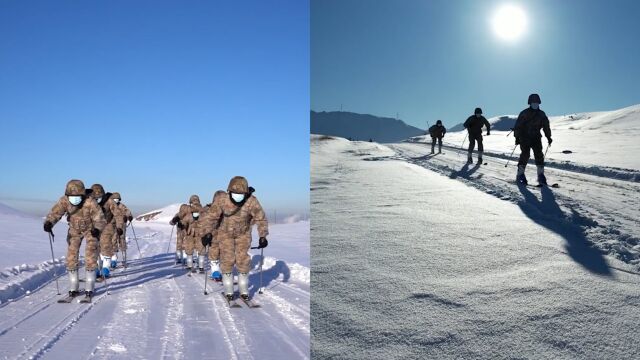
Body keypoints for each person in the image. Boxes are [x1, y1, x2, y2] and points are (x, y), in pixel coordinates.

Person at [202, 176, 268, 301]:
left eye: (241, 194)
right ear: (229, 191)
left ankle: (243, 288)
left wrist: (263, 235)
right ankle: (228, 289)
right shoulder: (222, 200)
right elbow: (211, 217)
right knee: (227, 259)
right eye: (235, 193)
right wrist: (207, 233)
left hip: (243, 234)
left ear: (246, 192)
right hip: (225, 233)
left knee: (243, 259)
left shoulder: (251, 201)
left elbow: (261, 218)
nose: (238, 196)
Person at [44, 180, 106, 302]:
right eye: (71, 196)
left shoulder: (90, 202)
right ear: (67, 195)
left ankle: (89, 287)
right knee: (71, 256)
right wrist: (49, 222)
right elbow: (56, 212)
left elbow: (100, 218)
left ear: (83, 195)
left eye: (77, 196)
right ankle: (73, 287)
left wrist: (97, 230)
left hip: (90, 230)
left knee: (91, 254)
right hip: (74, 230)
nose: (74, 199)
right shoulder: (64, 200)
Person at [513, 93, 552, 185]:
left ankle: (540, 175)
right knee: (525, 154)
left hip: (536, 137)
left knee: (539, 155)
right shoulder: (524, 113)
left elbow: (546, 126)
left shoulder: (542, 114)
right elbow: (517, 126)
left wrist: (549, 137)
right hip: (524, 137)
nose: (535, 104)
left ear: (539, 103)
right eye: (533, 102)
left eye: (537, 102)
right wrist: (517, 137)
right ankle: (520, 174)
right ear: (529, 103)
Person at [87, 184, 123, 278]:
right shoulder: (89, 201)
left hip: (108, 225)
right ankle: (97, 268)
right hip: (94, 226)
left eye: (99, 196)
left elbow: (118, 214)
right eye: (95, 196)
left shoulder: (109, 201)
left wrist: (119, 227)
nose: (97, 198)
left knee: (105, 244)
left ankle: (106, 268)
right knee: (94, 247)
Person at [201, 190, 226, 281]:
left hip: (225, 235)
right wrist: (206, 233)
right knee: (215, 251)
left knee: (222, 253)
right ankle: (216, 272)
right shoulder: (209, 209)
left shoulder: (230, 208)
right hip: (214, 234)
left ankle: (222, 272)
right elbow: (205, 221)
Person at [169, 195, 201, 264]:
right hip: (189, 229)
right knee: (189, 243)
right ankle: (188, 258)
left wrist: (173, 221)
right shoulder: (199, 210)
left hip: (184, 229)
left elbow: (173, 221)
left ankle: (180, 257)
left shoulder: (186, 209)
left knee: (181, 242)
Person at [181, 204, 206, 272]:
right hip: (190, 235)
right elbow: (184, 222)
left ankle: (201, 266)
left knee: (201, 250)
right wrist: (182, 225)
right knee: (189, 250)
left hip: (200, 235)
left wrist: (207, 233)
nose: (196, 213)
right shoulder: (188, 216)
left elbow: (207, 224)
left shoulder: (203, 216)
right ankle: (190, 265)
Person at [112, 194, 133, 268]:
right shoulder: (110, 206)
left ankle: (124, 259)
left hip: (122, 226)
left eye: (117, 198)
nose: (116, 200)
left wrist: (129, 217)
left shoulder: (122, 206)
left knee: (122, 240)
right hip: (112, 227)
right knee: (113, 241)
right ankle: (114, 259)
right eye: (114, 198)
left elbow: (128, 212)